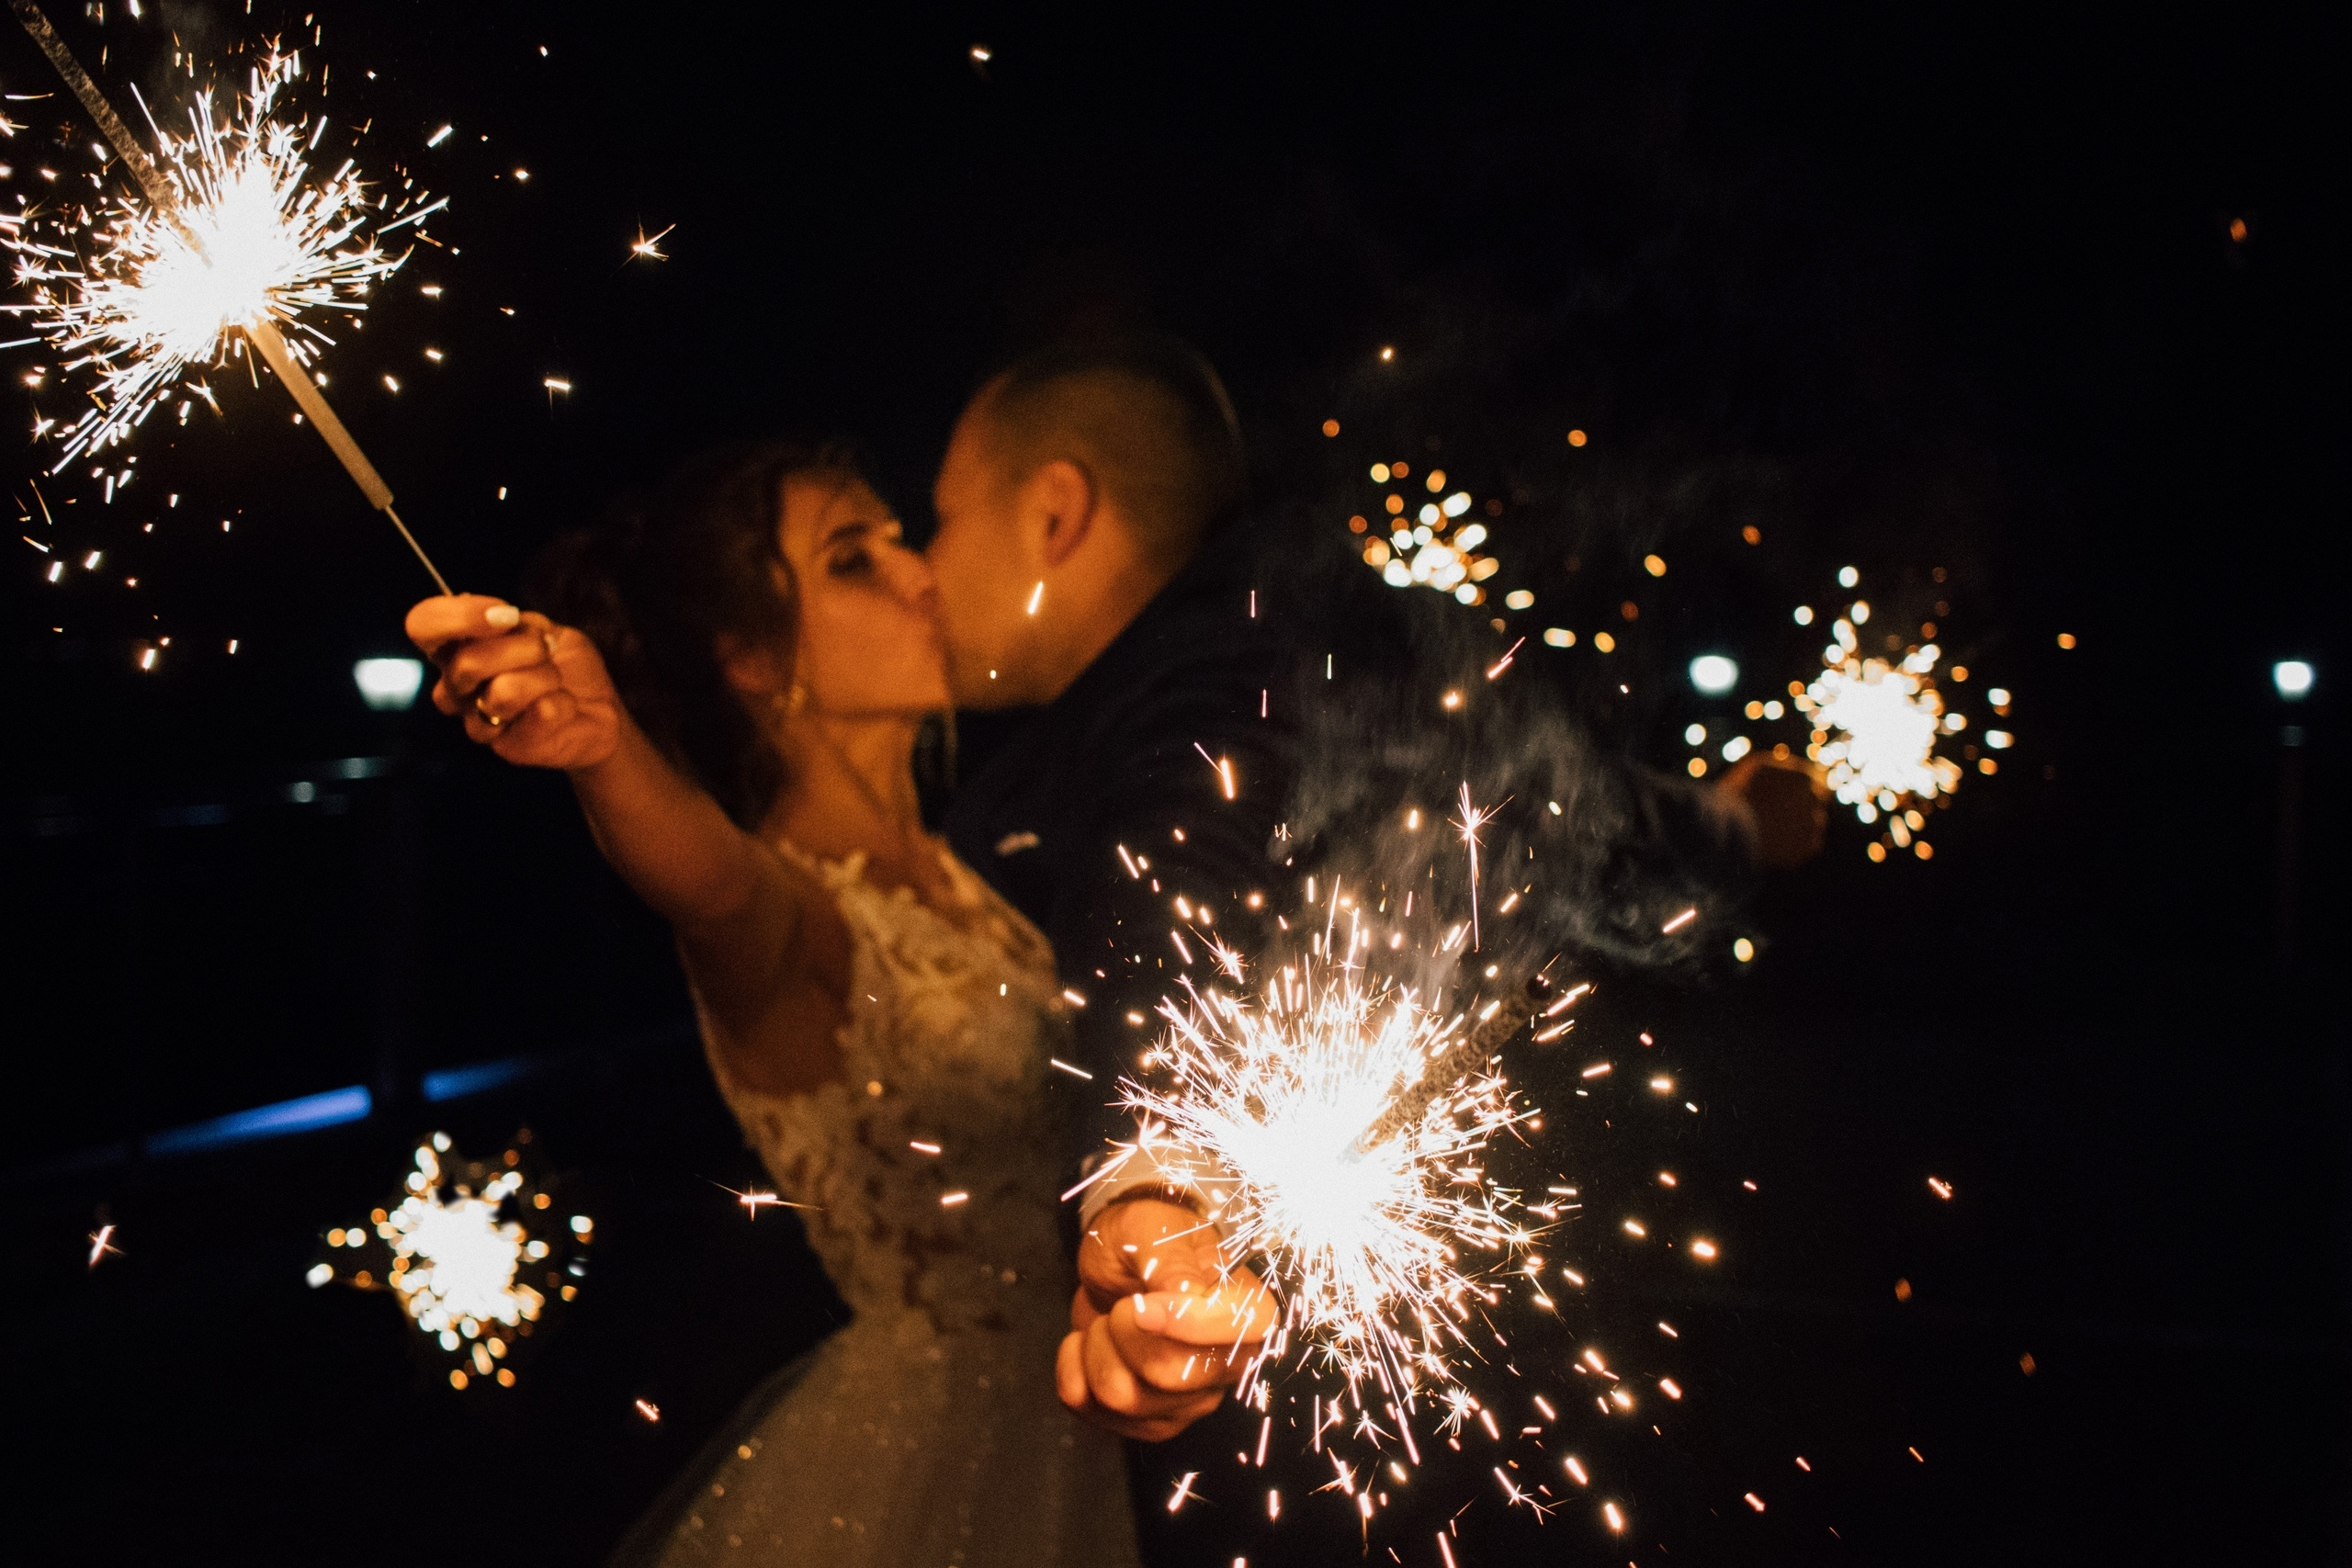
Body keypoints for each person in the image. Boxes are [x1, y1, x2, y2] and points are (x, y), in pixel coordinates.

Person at [403, 438, 1193, 1567]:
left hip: (1075, 1430)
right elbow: (709, 888)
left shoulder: (969, 874)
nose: (918, 572)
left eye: (896, 537)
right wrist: (608, 749)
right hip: (932, 1464)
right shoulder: (790, 913)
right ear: (755, 664)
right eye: (852, 560)